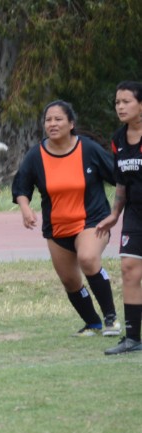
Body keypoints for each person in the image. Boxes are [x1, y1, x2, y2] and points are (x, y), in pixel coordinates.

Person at [12, 100, 120, 337]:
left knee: (88, 258)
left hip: (92, 221)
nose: (52, 124)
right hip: (57, 228)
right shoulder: (36, 155)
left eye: (58, 119)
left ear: (71, 123)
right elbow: (21, 186)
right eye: (48, 120)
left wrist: (121, 208)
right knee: (70, 281)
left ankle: (111, 318)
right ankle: (92, 323)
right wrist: (25, 208)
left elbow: (118, 176)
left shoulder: (89, 150)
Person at [97, 81, 142, 355]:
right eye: (117, 102)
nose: (120, 106)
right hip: (135, 214)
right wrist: (115, 214)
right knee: (128, 270)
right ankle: (133, 337)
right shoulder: (118, 140)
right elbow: (121, 183)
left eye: (126, 101)